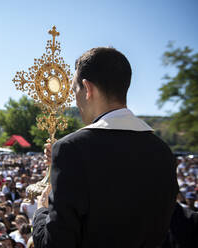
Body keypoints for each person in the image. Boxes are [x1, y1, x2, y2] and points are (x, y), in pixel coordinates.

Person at [32, 47, 178, 247]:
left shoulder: (72, 150)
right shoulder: (163, 152)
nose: (76, 100)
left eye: (75, 90)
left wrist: (41, 212)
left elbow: (56, 243)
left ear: (88, 89)